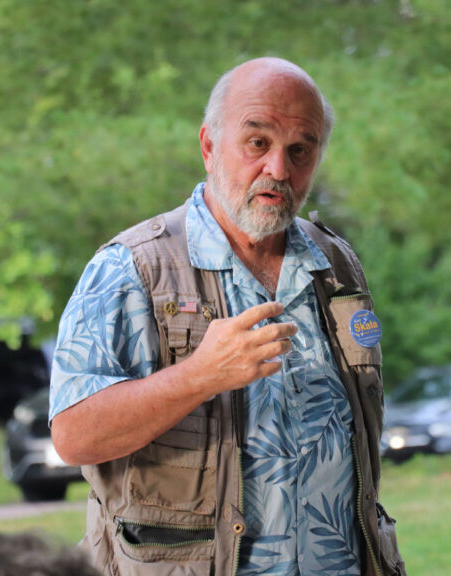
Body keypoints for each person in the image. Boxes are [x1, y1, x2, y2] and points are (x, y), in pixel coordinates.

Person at [49, 58, 406, 576]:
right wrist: (198, 377)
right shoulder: (131, 267)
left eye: (300, 150)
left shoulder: (337, 265)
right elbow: (73, 435)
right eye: (258, 142)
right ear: (209, 145)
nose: (279, 170)